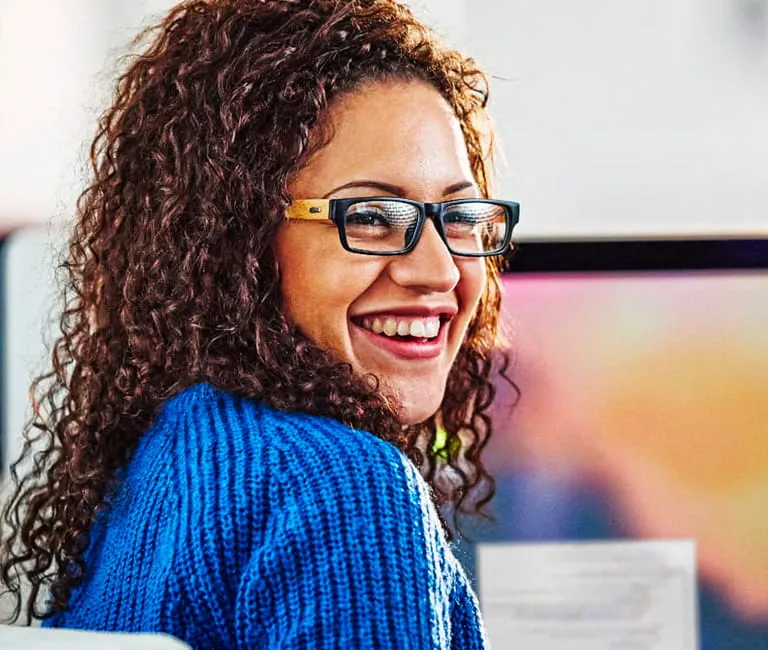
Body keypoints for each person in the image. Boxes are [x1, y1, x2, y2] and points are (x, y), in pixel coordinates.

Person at [0, 0, 519, 647]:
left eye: (461, 217)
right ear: (236, 238)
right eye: (371, 216)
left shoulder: (164, 466)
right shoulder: (344, 492)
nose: (440, 270)